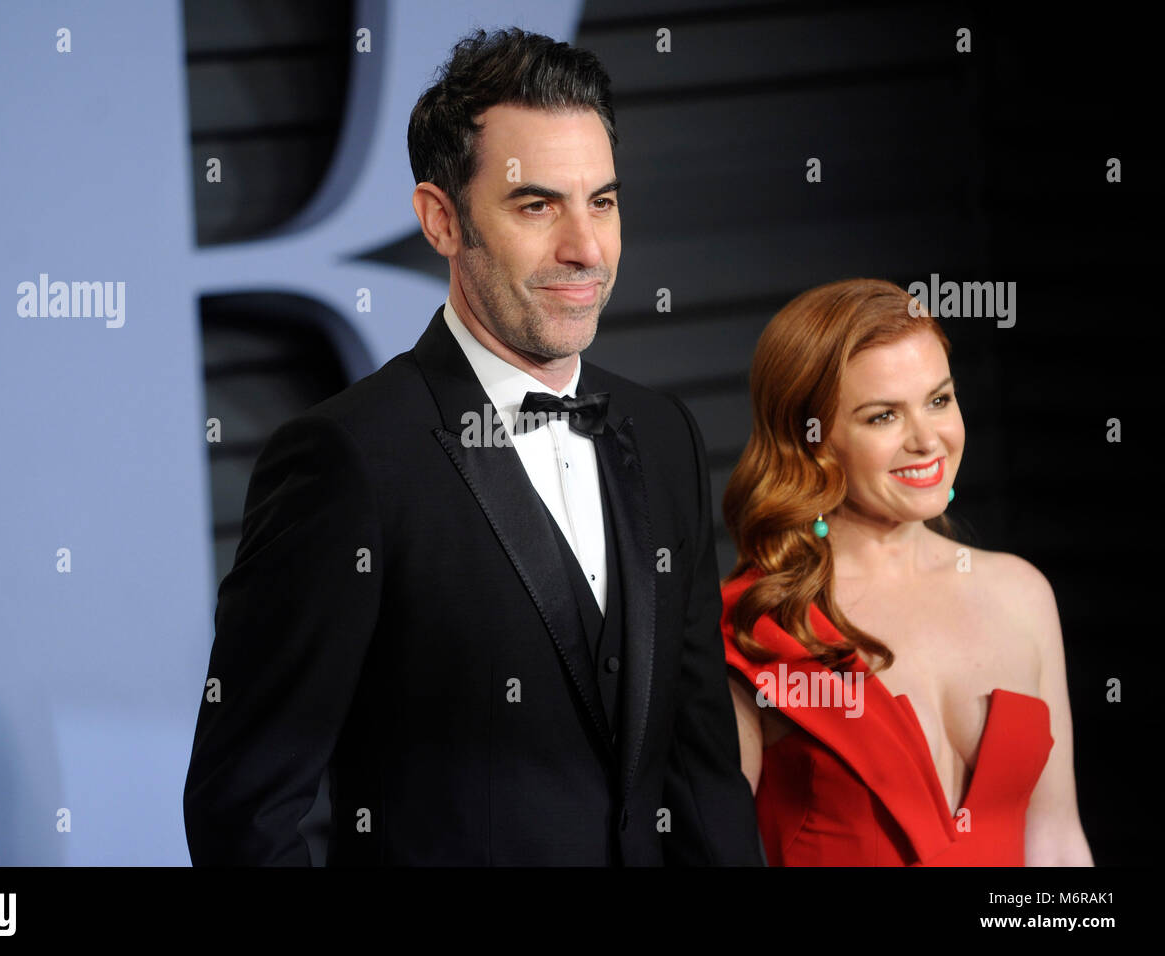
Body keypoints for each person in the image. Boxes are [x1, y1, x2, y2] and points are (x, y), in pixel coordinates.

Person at [182, 26, 763, 866]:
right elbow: (244, 809)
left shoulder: (661, 433)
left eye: (602, 200)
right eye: (538, 205)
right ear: (441, 220)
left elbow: (702, 771)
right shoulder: (347, 462)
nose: (587, 249)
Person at [720, 278, 1093, 866]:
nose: (928, 440)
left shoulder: (1022, 593)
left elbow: (1057, 843)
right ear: (810, 439)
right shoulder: (753, 627)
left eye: (940, 400)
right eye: (883, 416)